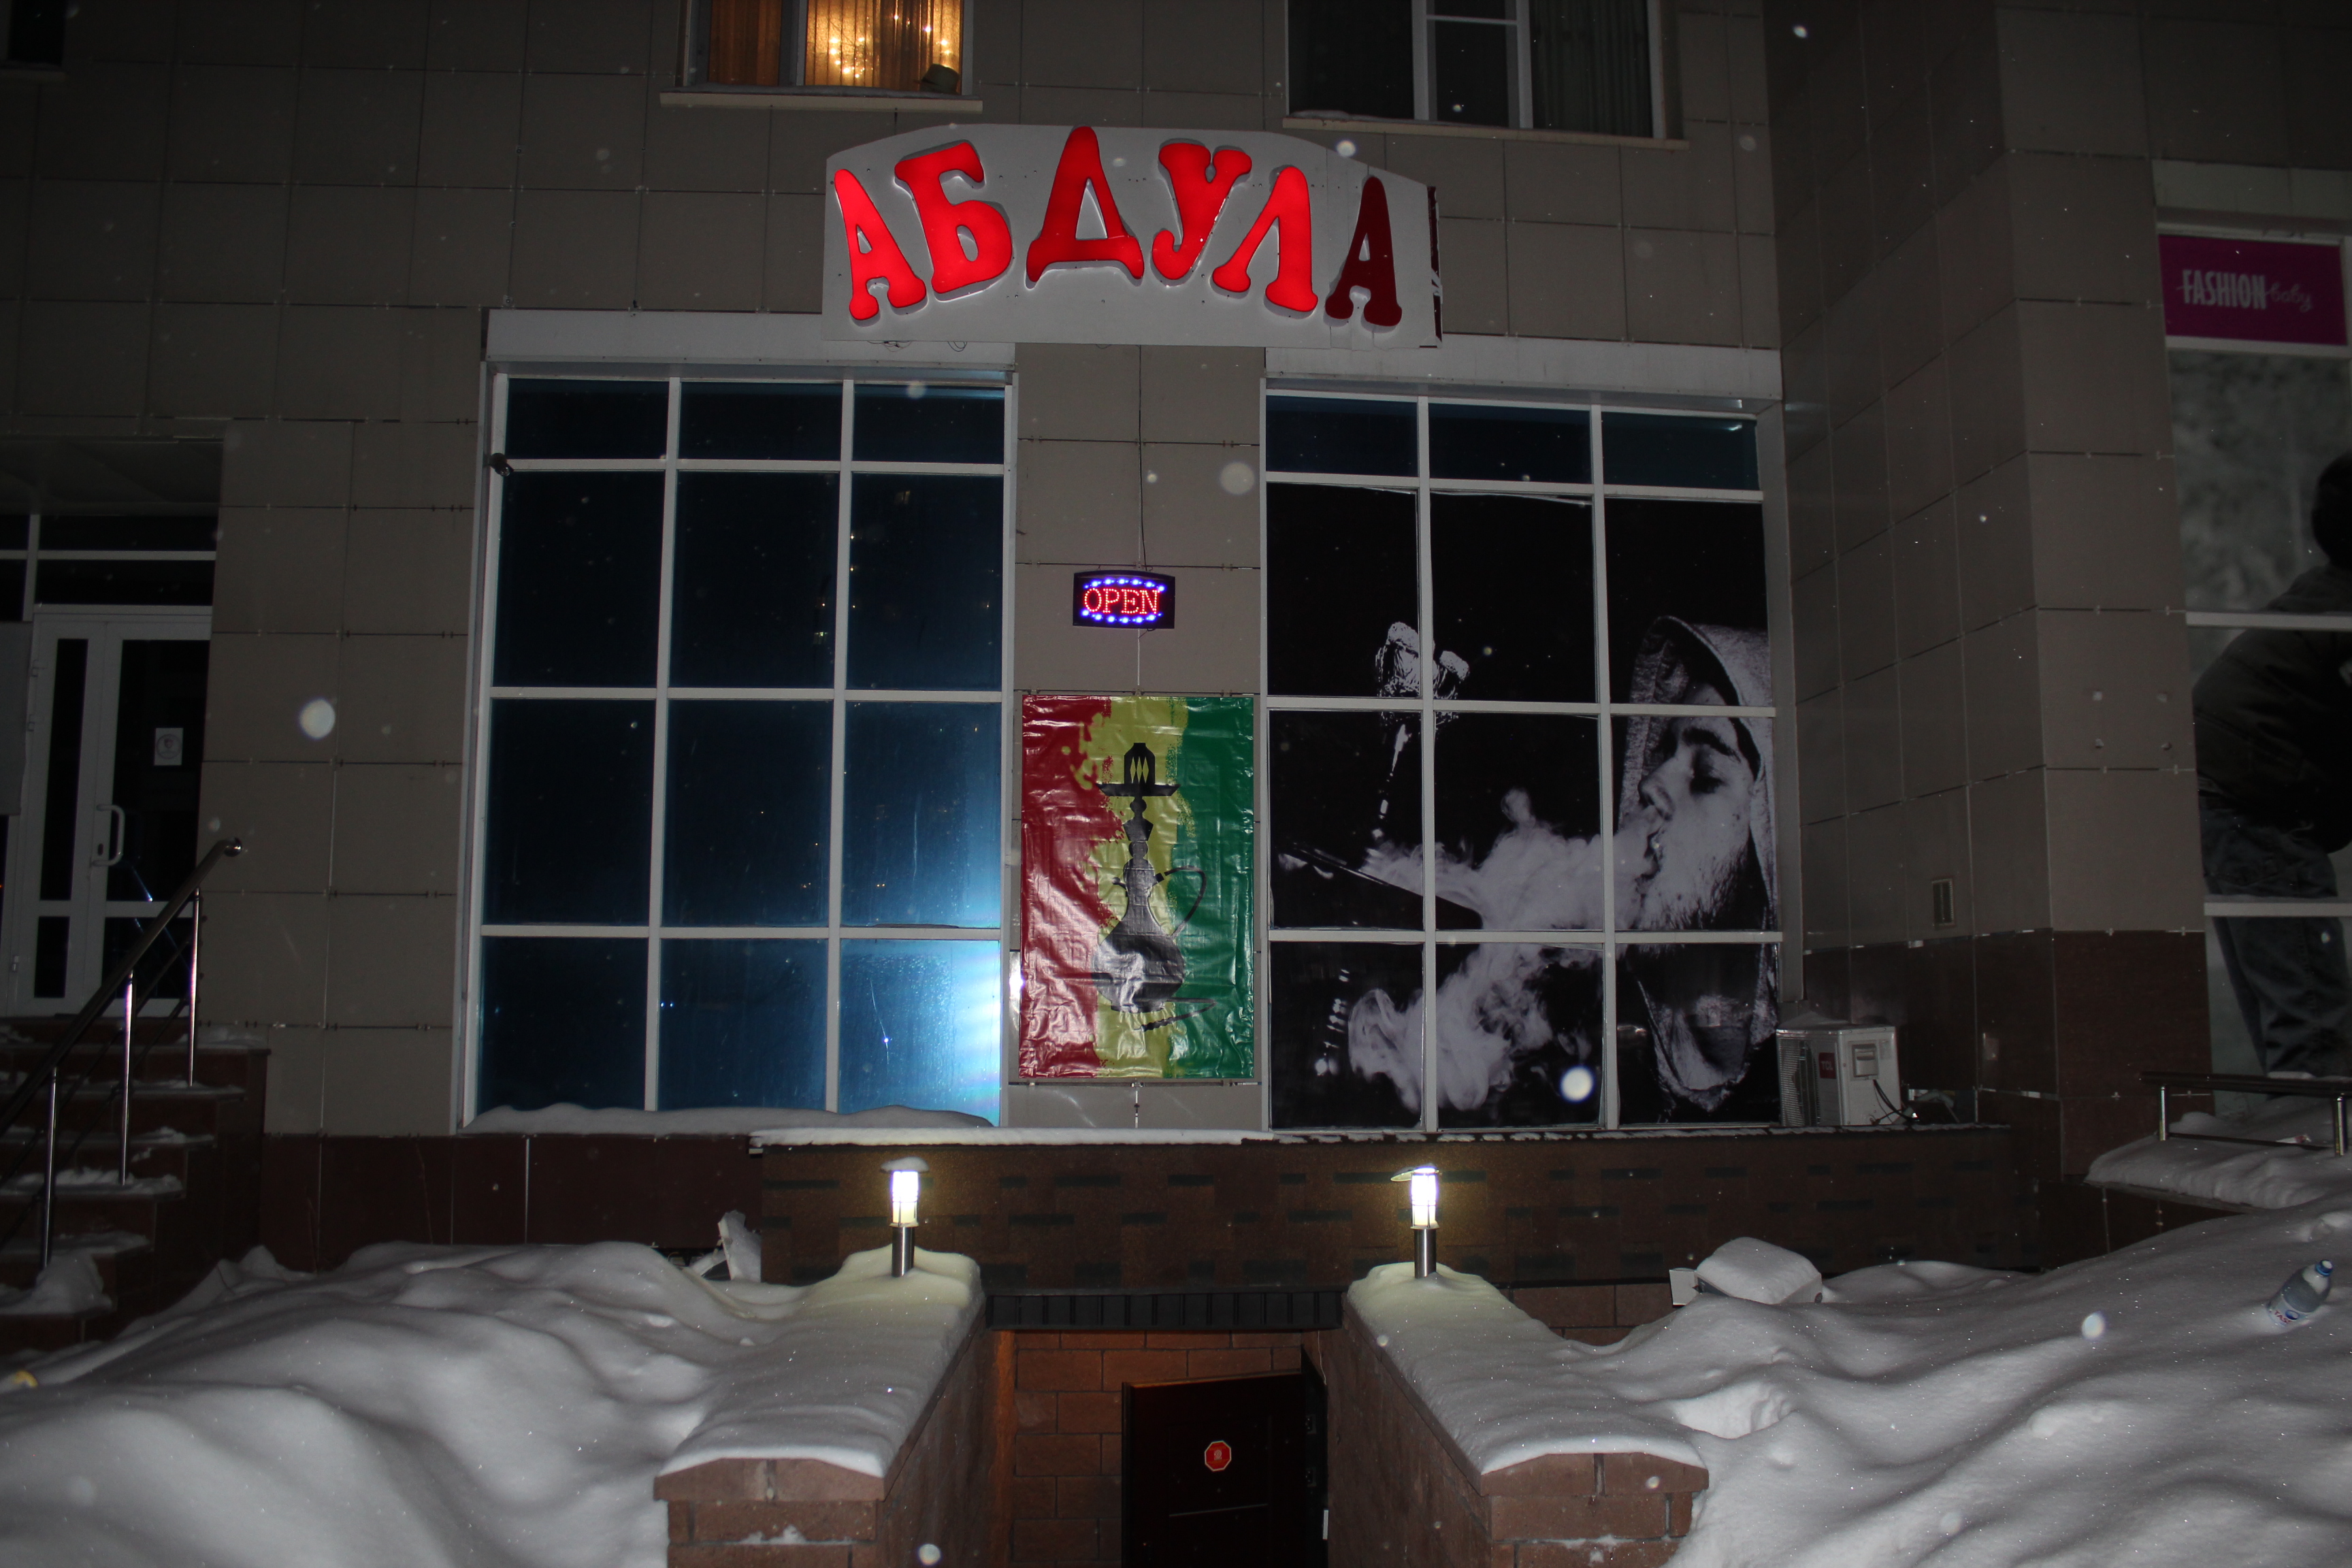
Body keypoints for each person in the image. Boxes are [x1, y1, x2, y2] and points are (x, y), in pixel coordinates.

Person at [2191, 453, 2352, 1081]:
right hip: (2256, 805)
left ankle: (2297, 1117)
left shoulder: (2328, 593)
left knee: (2292, 1005)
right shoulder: (2342, 613)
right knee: (2309, 1018)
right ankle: (2311, 1129)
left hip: (2229, 796)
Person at [1614, 617, 1780, 1120]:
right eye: (1662, 754)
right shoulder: (1611, 1069)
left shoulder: (1790, 1090)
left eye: (1706, 776)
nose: (1649, 785)